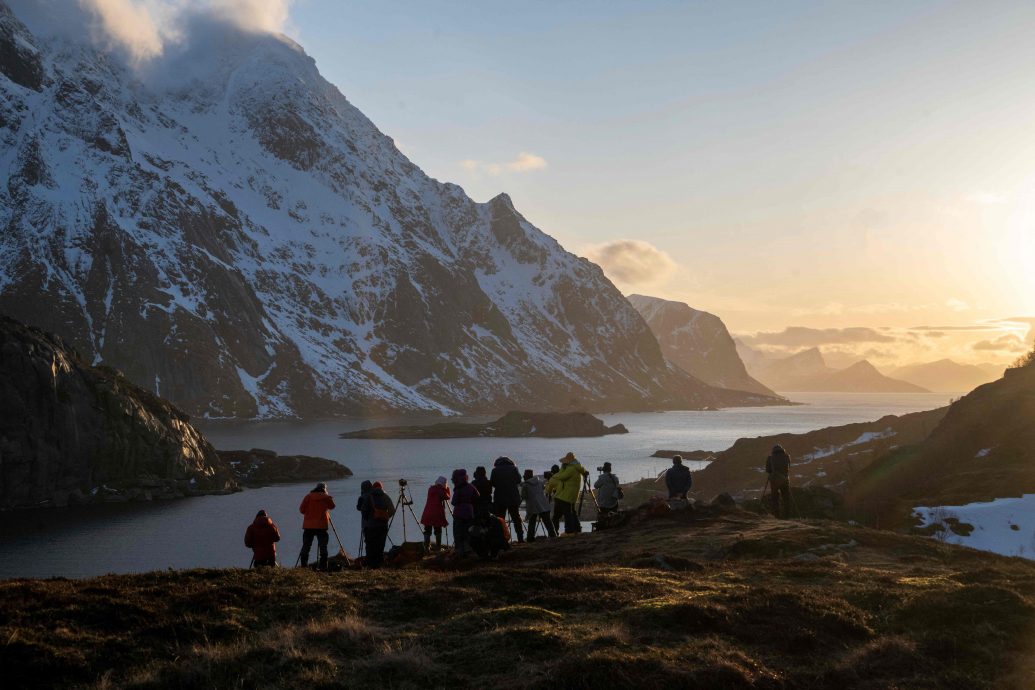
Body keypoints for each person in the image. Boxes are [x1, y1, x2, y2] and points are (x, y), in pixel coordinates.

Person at [546, 452, 587, 534]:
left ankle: (566, 531)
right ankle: (576, 529)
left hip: (564, 496)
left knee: (564, 515)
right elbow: (562, 475)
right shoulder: (577, 467)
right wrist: (563, 467)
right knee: (571, 513)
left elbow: (562, 477)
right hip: (569, 495)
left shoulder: (571, 469)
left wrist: (552, 476)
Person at [299, 482, 335, 570]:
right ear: (324, 489)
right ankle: (323, 567)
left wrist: (309, 513)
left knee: (306, 546)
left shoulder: (308, 496)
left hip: (308, 526)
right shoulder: (326, 497)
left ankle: (304, 566)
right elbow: (332, 506)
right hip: (321, 526)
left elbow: (301, 509)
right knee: (323, 546)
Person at [361, 481, 396, 568]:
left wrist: (368, 519)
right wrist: (386, 517)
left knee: (370, 545)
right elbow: (392, 510)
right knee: (380, 545)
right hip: (382, 526)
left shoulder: (369, 497)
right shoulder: (386, 496)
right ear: (381, 488)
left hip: (371, 526)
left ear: (373, 488)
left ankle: (370, 563)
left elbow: (364, 511)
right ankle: (379, 563)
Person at [490, 456, 524, 543]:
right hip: (513, 497)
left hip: (500, 498)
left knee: (500, 519)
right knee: (516, 518)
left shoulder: (495, 470)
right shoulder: (514, 468)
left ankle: (502, 539)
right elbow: (519, 480)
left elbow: (492, 483)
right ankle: (520, 538)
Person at [520, 469, 556, 541]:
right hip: (543, 504)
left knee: (532, 523)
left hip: (533, 506)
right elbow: (543, 488)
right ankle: (553, 536)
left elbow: (523, 496)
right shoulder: (539, 482)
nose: (523, 477)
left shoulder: (526, 485)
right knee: (548, 522)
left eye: (524, 476)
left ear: (526, 476)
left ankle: (530, 539)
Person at [450, 469, 479, 556]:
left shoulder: (458, 488)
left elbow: (454, 502)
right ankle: (467, 548)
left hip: (459, 512)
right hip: (469, 511)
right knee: (468, 531)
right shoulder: (471, 486)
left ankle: (459, 549)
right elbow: (477, 496)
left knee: (458, 531)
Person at [420, 476, 451, 552]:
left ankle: (426, 547)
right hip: (437, 513)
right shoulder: (441, 490)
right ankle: (438, 547)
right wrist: (447, 489)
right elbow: (447, 497)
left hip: (427, 512)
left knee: (427, 529)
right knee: (438, 530)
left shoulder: (431, 489)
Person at [766, 444, 792, 519]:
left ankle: (777, 516)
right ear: (782, 450)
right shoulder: (787, 456)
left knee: (775, 499)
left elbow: (768, 470)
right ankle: (787, 516)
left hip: (774, 481)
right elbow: (789, 467)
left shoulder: (770, 458)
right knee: (786, 498)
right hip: (785, 480)